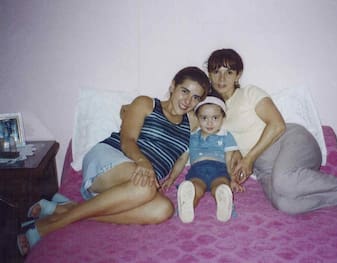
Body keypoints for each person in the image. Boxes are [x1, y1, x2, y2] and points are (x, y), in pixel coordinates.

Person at [17, 66, 211, 256]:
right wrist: (144, 163)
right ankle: (51, 224)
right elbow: (127, 140)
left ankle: (65, 209)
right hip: (110, 158)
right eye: (184, 91)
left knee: (164, 209)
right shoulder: (147, 103)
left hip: (139, 182)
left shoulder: (192, 123)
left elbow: (218, 116)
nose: (188, 101)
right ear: (172, 86)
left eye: (195, 97)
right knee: (145, 188)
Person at [204, 48, 337, 215]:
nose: (221, 78)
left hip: (291, 142)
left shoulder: (249, 93)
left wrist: (249, 158)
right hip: (264, 168)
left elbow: (277, 125)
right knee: (285, 204)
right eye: (216, 71)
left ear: (238, 75)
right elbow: (232, 150)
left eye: (228, 72)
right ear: (209, 75)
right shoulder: (212, 112)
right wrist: (234, 173)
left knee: (283, 182)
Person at [162, 95, 244, 223]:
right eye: (204, 118)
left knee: (221, 185)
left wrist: (232, 179)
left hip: (219, 170)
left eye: (215, 118)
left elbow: (229, 160)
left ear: (223, 118)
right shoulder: (192, 137)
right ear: (197, 118)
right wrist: (171, 178)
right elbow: (182, 160)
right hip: (197, 170)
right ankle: (187, 205)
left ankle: (223, 202)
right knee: (195, 188)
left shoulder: (226, 136)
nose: (210, 123)